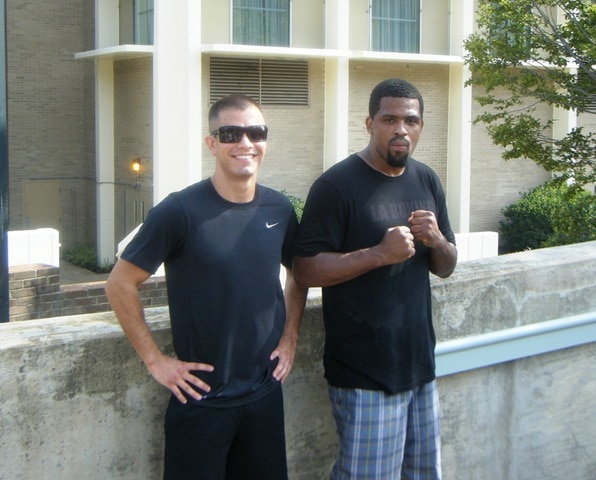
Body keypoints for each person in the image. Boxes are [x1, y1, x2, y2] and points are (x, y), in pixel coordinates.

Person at [106, 94, 307, 480]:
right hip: (200, 401)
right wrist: (155, 360)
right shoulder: (179, 211)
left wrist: (290, 336)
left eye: (256, 132)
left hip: (264, 395)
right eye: (231, 133)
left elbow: (299, 272)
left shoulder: (280, 209)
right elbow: (120, 283)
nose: (245, 143)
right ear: (211, 143)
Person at [293, 78, 457, 480]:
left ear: (421, 126)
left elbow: (446, 266)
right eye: (389, 119)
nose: (401, 129)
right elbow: (305, 269)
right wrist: (378, 255)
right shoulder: (336, 186)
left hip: (419, 366)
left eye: (411, 120)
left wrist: (437, 241)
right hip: (364, 375)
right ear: (369, 123)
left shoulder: (427, 179)